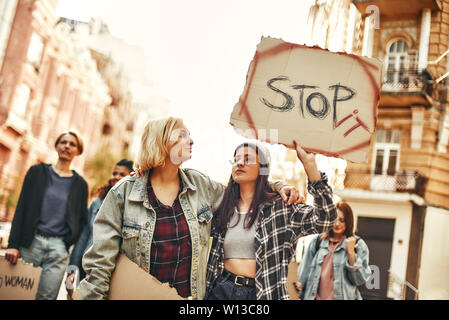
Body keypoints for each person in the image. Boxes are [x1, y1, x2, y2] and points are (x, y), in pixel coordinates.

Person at [78, 116, 301, 300]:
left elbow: (245, 190)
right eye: (182, 135)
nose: (191, 141)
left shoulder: (200, 187)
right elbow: (100, 264)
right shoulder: (123, 194)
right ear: (161, 142)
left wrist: (279, 185)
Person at [205, 140, 338, 300]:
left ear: (263, 168)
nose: (239, 163)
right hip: (222, 290)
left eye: (248, 159)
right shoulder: (223, 206)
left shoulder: (281, 207)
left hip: (263, 294)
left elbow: (325, 220)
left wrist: (310, 166)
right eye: (236, 160)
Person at [5, 130, 88, 300]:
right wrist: (13, 244)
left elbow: (81, 221)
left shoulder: (81, 185)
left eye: (72, 144)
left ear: (78, 151)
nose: (67, 146)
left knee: (46, 297)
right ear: (56, 145)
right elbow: (22, 207)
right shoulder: (37, 172)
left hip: (58, 250)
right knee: (19, 295)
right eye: (63, 142)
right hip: (31, 244)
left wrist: (67, 245)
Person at [68, 158, 134, 283]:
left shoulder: (133, 208)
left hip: (111, 272)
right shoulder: (96, 203)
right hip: (87, 266)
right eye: (114, 173)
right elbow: (83, 237)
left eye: (122, 174)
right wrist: (71, 270)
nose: (116, 177)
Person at [295, 201, 371, 300]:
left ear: (348, 222)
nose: (337, 224)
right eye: (334, 219)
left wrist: (351, 253)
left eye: (342, 220)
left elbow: (359, 280)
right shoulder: (318, 241)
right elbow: (303, 274)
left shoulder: (358, 245)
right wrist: (299, 286)